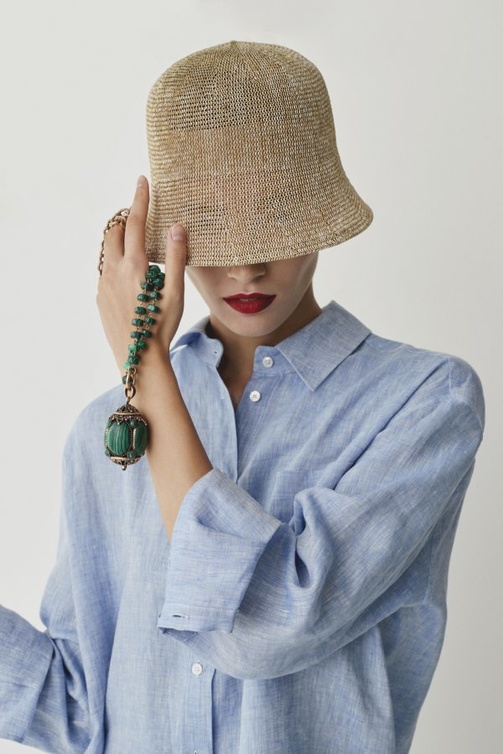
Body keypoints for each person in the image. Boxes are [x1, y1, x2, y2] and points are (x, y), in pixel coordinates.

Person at [0, 41, 484, 754]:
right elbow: (80, 707)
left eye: (275, 221)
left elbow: (265, 626)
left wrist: (146, 366)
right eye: (215, 228)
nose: (248, 265)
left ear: (318, 215)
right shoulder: (104, 431)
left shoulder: (422, 403)